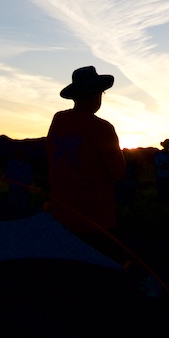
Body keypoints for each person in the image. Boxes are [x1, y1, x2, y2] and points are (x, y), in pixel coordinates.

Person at [46, 66, 126, 246]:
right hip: (95, 220)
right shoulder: (103, 129)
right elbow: (119, 172)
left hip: (59, 214)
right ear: (96, 94)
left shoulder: (59, 120)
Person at [153, 138, 169, 203]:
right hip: (162, 176)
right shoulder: (159, 154)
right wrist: (166, 166)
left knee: (167, 191)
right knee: (162, 191)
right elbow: (156, 163)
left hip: (168, 176)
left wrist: (164, 165)